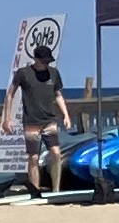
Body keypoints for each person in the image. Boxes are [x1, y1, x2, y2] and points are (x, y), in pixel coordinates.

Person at [5, 34, 74, 196]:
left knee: (56, 153)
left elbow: (58, 94)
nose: (46, 64)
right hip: (31, 121)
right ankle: (35, 191)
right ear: (36, 59)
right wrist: (7, 119)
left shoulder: (54, 74)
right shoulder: (24, 73)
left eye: (48, 61)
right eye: (43, 61)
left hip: (49, 120)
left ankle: (56, 189)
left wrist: (66, 115)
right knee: (33, 158)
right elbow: (10, 94)